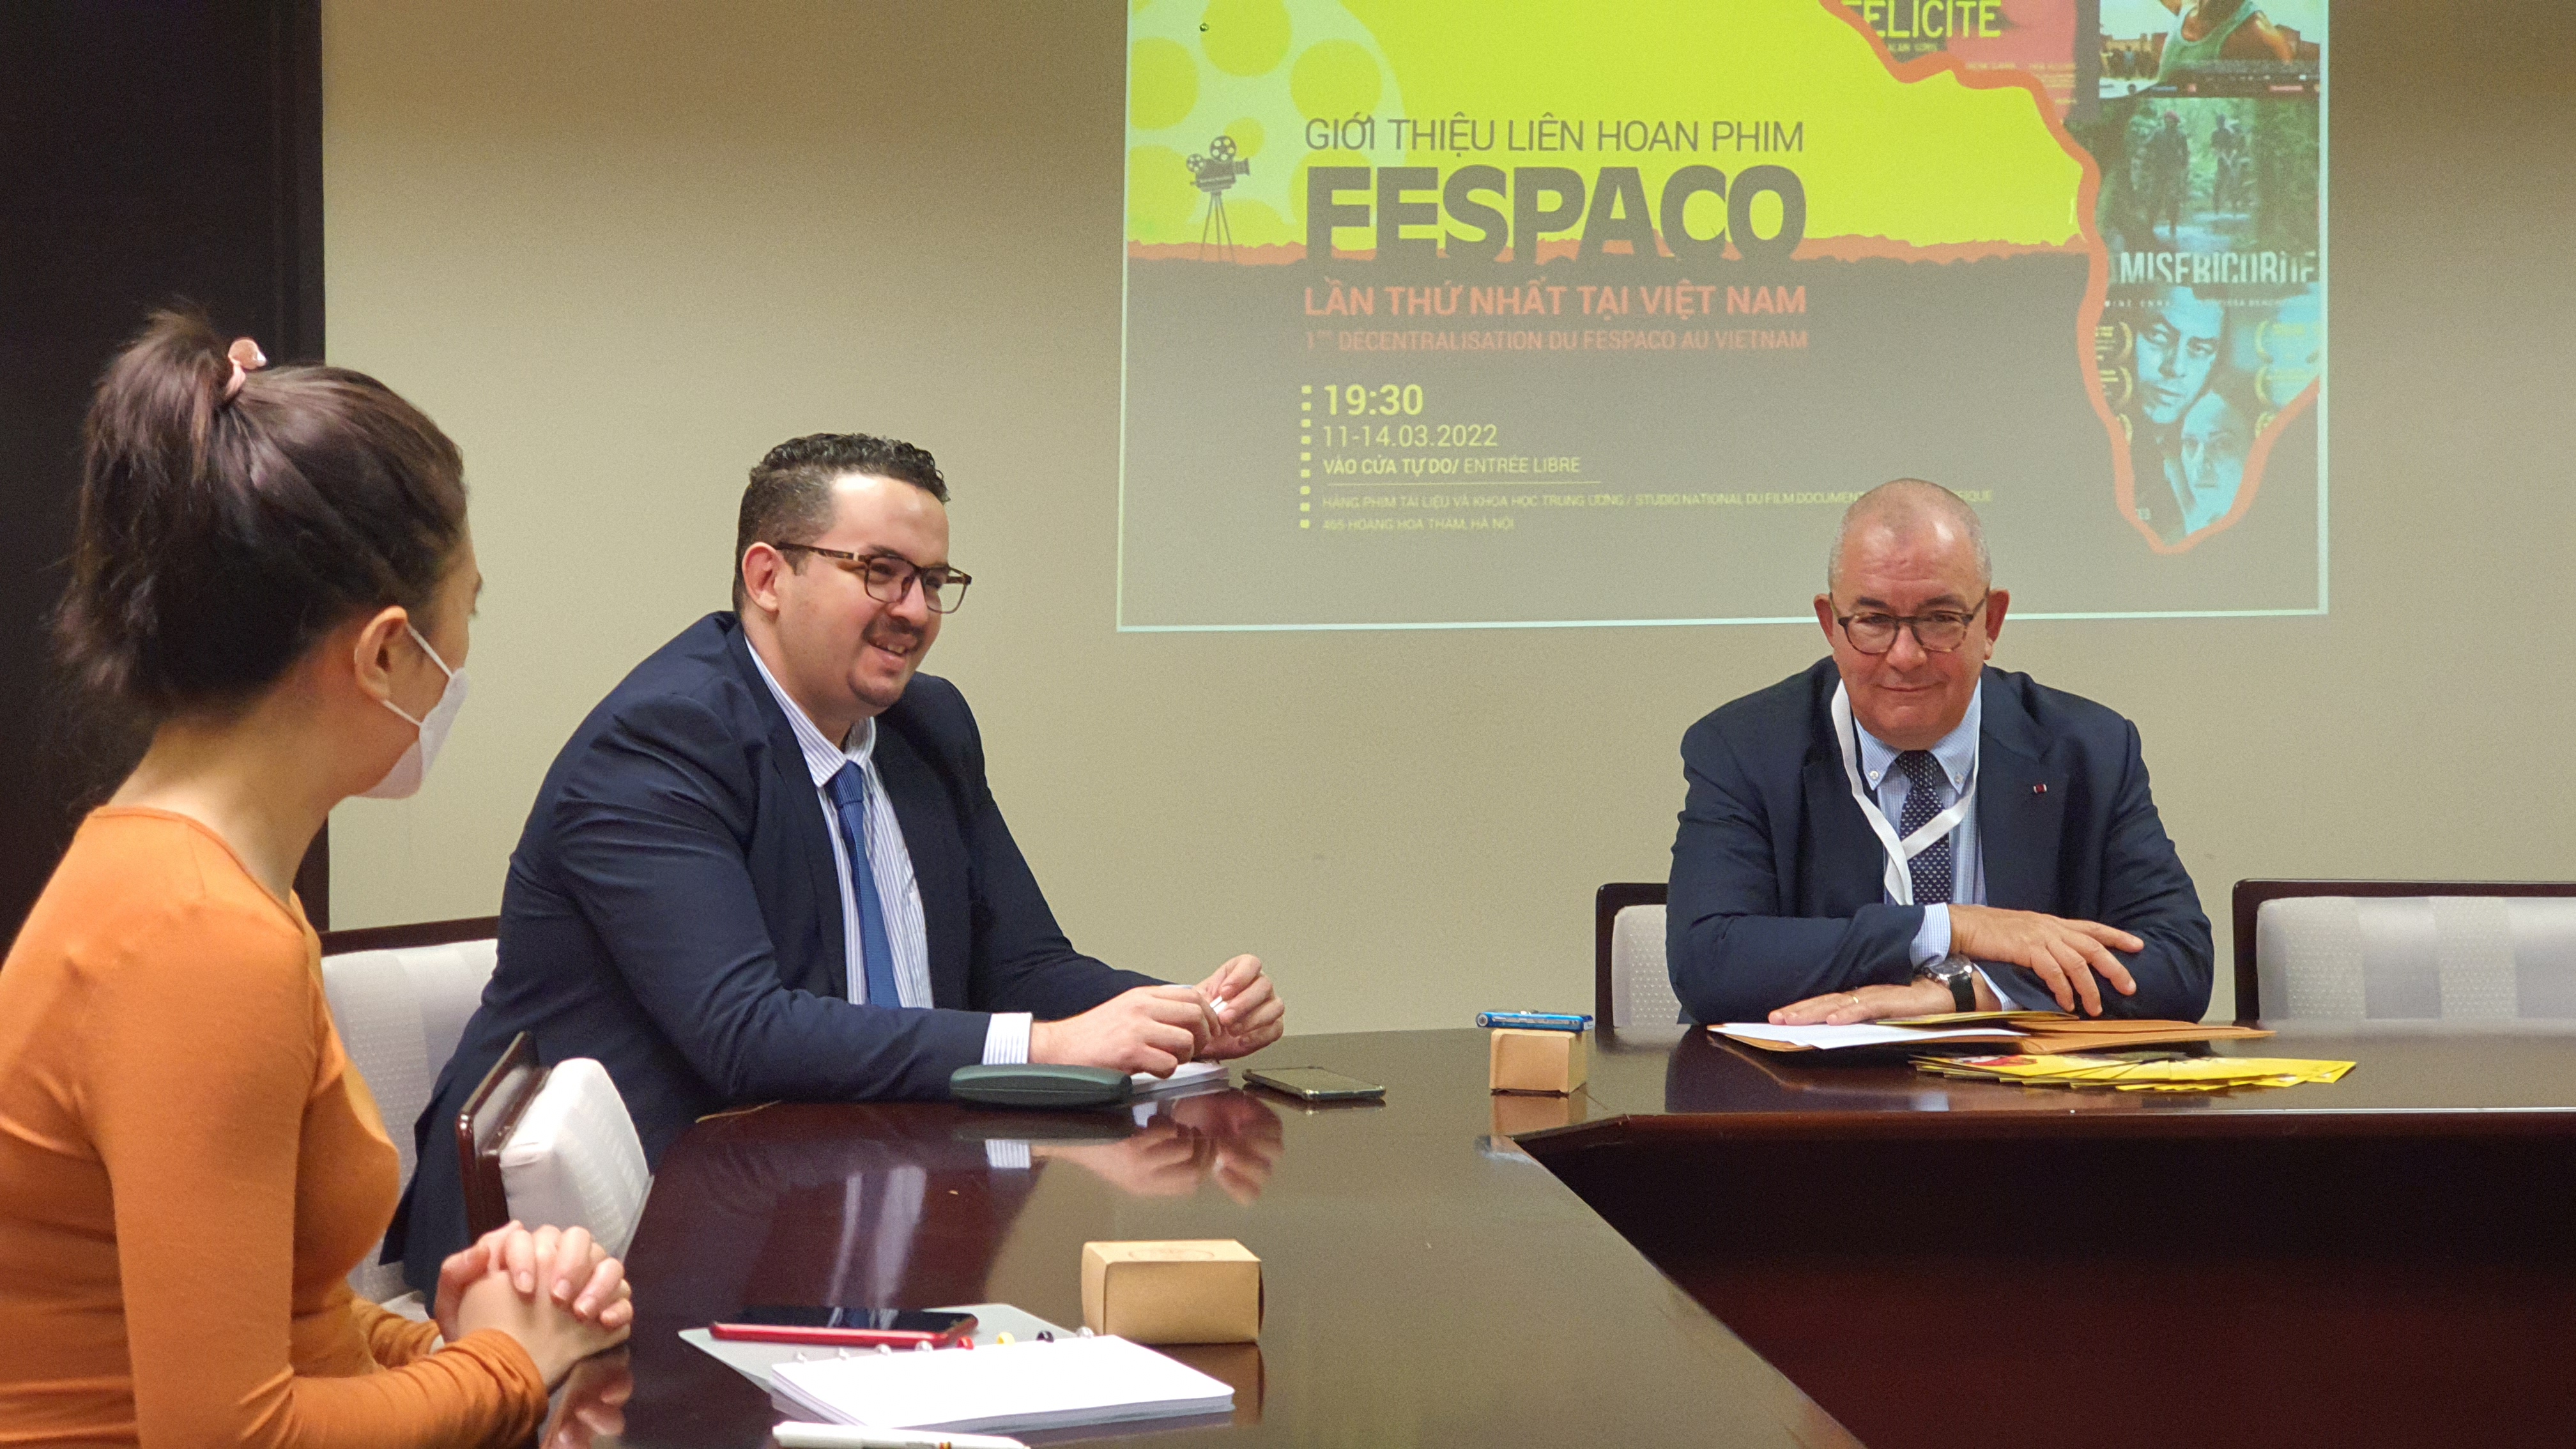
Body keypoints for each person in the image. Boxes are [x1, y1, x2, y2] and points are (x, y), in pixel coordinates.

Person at [394, 433, 1287, 1289]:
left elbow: (1022, 966)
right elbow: (745, 1033)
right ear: (767, 577)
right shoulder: (663, 740)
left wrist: (1177, 1017)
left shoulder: (929, 727)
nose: (915, 611)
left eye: (932, 581)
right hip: (611, 1248)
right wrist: (1051, 1045)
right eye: (881, 572)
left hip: (860, 1194)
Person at [0, 310, 629, 1446]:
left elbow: (279, 1319)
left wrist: (442, 1342)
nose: (463, 656)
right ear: (386, 651)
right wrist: (506, 1365)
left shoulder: (215, 883)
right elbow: (234, 1434)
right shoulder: (199, 935)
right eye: (466, 611)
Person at [1664, 479, 2212, 1026]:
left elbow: (2179, 963)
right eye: (1874, 621)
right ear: (1830, 625)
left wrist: (1971, 991)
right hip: (1809, 1079)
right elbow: (1710, 960)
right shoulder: (1744, 748)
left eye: (1939, 620)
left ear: (1990, 623)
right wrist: (1954, 927)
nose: (1905, 656)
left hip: (2016, 1080)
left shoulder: (2089, 751)